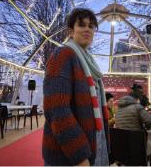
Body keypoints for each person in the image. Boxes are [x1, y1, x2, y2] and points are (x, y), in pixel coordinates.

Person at [43, 8, 109, 166]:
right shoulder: (63, 55)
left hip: (94, 147)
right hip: (69, 157)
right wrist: (79, 155)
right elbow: (57, 109)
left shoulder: (88, 62)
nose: (87, 29)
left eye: (92, 26)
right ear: (71, 31)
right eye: (82, 24)